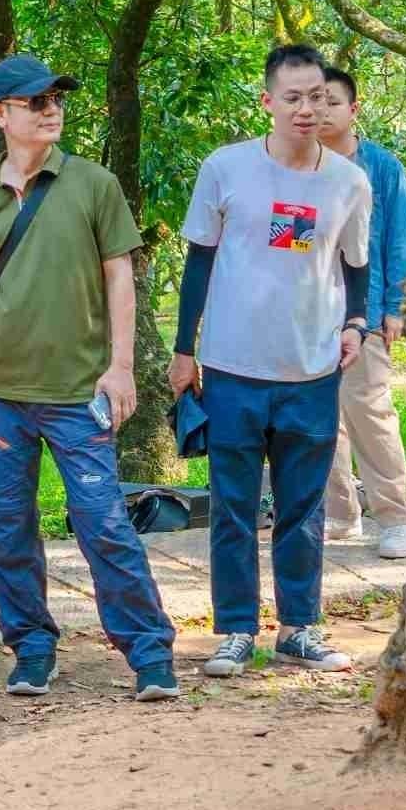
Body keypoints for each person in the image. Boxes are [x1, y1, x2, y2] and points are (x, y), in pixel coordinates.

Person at [0, 56, 180, 702]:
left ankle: (149, 652)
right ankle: (31, 648)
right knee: (7, 525)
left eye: (55, 99)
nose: (50, 110)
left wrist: (121, 365)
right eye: (33, 101)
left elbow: (119, 276)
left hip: (78, 391)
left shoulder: (92, 184)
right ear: (0, 114)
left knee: (103, 521)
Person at [169, 43, 372, 679]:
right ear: (268, 102)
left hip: (311, 369)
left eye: (317, 96)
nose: (307, 109)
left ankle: (300, 628)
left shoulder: (348, 181)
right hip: (232, 367)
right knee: (232, 506)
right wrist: (184, 351)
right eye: (293, 97)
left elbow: (355, 267)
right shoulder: (226, 169)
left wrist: (357, 325)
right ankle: (233, 630)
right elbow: (198, 260)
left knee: (303, 506)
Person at [312, 65, 406, 556]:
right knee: (318, 421)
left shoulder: (380, 167)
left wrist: (397, 306)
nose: (319, 111)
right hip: (306, 313)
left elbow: (402, 240)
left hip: (367, 312)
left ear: (354, 109)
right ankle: (340, 515)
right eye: (312, 100)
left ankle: (396, 517)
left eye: (331, 101)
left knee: (369, 413)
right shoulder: (298, 166)